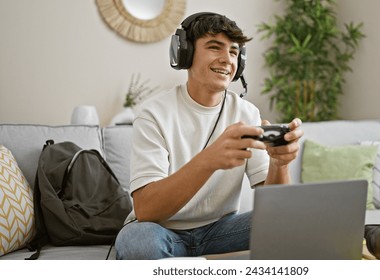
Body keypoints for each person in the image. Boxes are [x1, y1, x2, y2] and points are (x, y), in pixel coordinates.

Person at [114, 12, 303, 260]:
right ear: (185, 53)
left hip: (221, 230)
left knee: (291, 224)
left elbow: (279, 209)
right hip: (163, 230)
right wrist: (208, 160)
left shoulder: (247, 113)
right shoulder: (153, 114)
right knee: (138, 241)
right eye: (215, 47)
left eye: (234, 52)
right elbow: (147, 210)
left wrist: (280, 163)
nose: (227, 59)